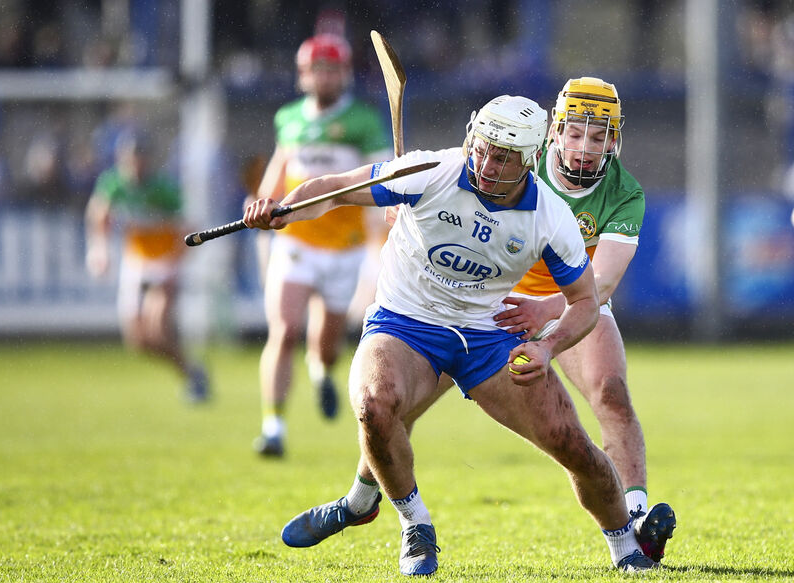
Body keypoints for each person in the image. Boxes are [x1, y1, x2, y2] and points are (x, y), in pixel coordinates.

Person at [244, 95, 658, 575]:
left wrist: (547, 347)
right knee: (376, 407)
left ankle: (626, 549)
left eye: (502, 157)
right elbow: (334, 189)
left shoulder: (550, 217)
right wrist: (284, 209)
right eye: (482, 147)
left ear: (528, 160)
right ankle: (414, 525)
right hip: (406, 323)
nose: (485, 162)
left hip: (488, 334)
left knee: (572, 443)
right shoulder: (430, 171)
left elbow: (586, 301)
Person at [250, 33, 390, 457]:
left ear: (344, 74)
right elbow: (280, 168)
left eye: (332, 69)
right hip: (295, 243)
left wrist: (378, 245)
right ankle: (273, 427)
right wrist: (261, 205)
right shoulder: (289, 117)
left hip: (343, 249)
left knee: (326, 344)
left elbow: (382, 184)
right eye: (317, 69)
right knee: (285, 329)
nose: (324, 77)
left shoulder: (364, 121)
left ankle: (320, 372)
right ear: (303, 75)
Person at [85, 129, 210, 403]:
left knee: (157, 329)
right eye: (128, 159)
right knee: (138, 342)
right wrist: (99, 249)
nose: (133, 165)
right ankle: (192, 370)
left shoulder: (163, 188)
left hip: (164, 264)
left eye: (138, 159)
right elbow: (99, 212)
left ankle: (194, 377)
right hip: (136, 264)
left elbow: (189, 230)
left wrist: (174, 267)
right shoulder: (115, 183)